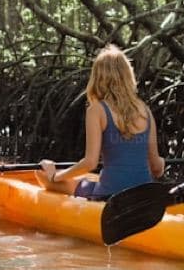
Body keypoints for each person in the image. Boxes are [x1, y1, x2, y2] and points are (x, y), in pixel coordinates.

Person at [36, 44, 166, 200]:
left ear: (98, 77)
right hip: (144, 198)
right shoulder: (146, 111)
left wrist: (56, 176)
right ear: (127, 75)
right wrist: (162, 163)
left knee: (41, 175)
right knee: (85, 181)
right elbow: (156, 168)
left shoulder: (96, 110)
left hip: (109, 196)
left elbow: (90, 163)